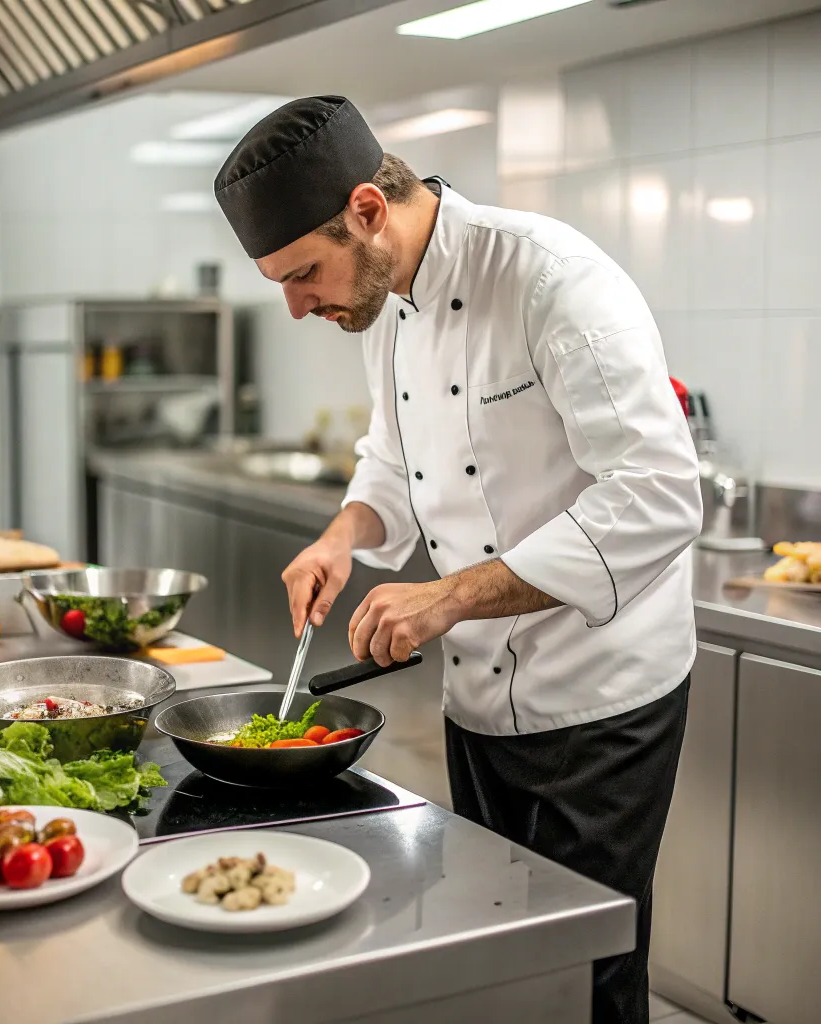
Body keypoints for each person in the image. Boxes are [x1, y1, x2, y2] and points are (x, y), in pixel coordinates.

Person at [214, 95, 702, 1024]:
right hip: (479, 701)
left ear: (366, 209)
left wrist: (449, 597)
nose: (295, 305)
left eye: (302, 274)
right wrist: (343, 535)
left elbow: (659, 491)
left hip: (602, 699)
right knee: (497, 962)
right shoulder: (388, 301)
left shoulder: (552, 278)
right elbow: (393, 461)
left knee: (586, 975)